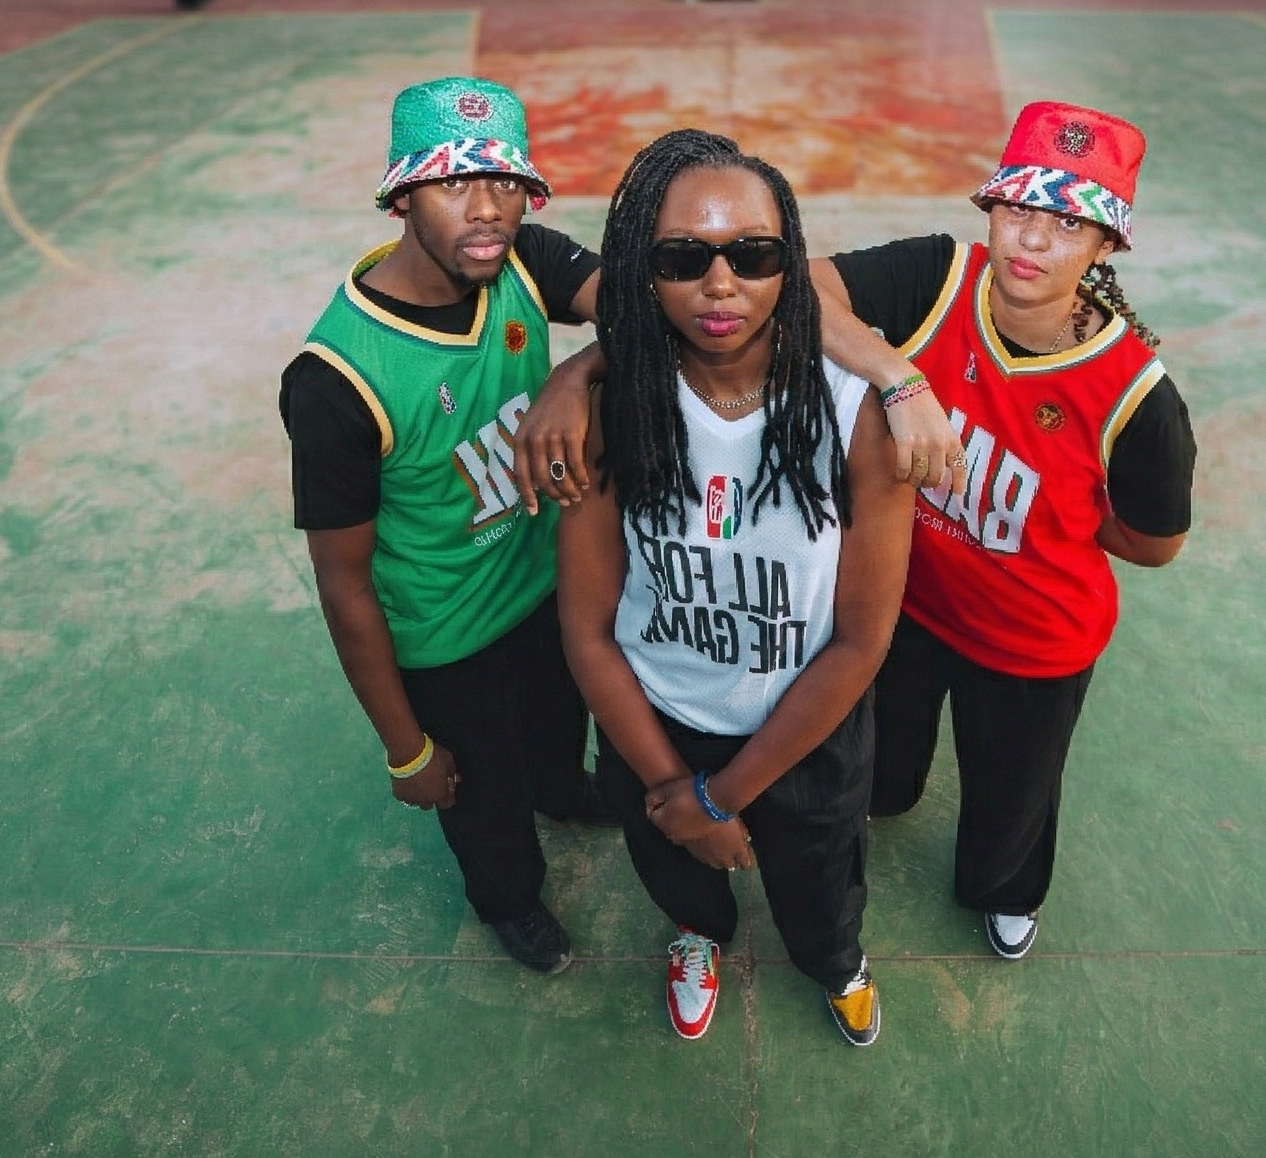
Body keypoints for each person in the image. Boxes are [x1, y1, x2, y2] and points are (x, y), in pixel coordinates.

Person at [555, 130, 915, 1046]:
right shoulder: (611, 410)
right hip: (657, 714)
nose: (721, 286)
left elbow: (860, 643)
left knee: (822, 881)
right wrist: (678, 788)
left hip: (808, 721)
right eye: (684, 258)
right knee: (675, 864)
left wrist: (721, 799)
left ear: (789, 266)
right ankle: (695, 934)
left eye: (752, 255)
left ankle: (837, 962)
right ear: (644, 271)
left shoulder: (857, 413)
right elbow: (591, 632)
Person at [820, 102, 1196, 961]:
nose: (1031, 241)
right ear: (990, 209)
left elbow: (1155, 541)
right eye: (1020, 209)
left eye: (1067, 223)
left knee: (1011, 800)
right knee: (882, 775)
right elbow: (797, 285)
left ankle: (1006, 891)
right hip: (910, 603)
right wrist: (898, 378)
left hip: (1034, 640)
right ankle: (884, 800)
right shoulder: (939, 278)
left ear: (1106, 248)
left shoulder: (1138, 399)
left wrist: (1053, 517)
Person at [279, 78, 605, 975]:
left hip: (541, 580)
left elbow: (640, 310)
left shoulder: (524, 260)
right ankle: (507, 900)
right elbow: (345, 588)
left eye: (504, 182)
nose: (488, 208)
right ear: (402, 195)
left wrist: (572, 379)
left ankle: (565, 790)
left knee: (556, 735)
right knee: (482, 798)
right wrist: (404, 748)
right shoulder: (339, 378)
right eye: (455, 184)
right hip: (447, 637)